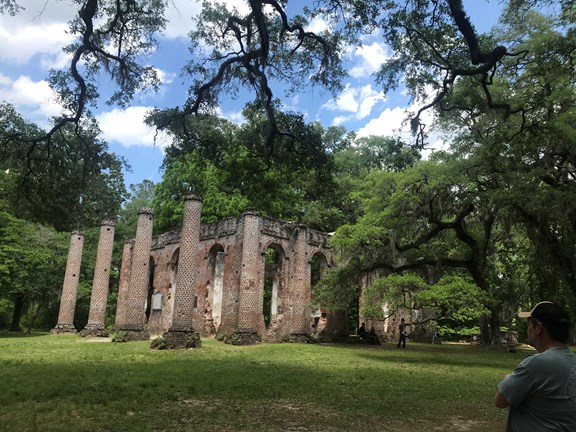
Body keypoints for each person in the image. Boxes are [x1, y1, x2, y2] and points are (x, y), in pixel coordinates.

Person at [494, 301, 576, 432]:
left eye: (528, 324)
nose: (527, 330)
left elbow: (500, 401)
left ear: (538, 328)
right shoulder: (572, 361)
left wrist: (508, 378)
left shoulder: (535, 364)